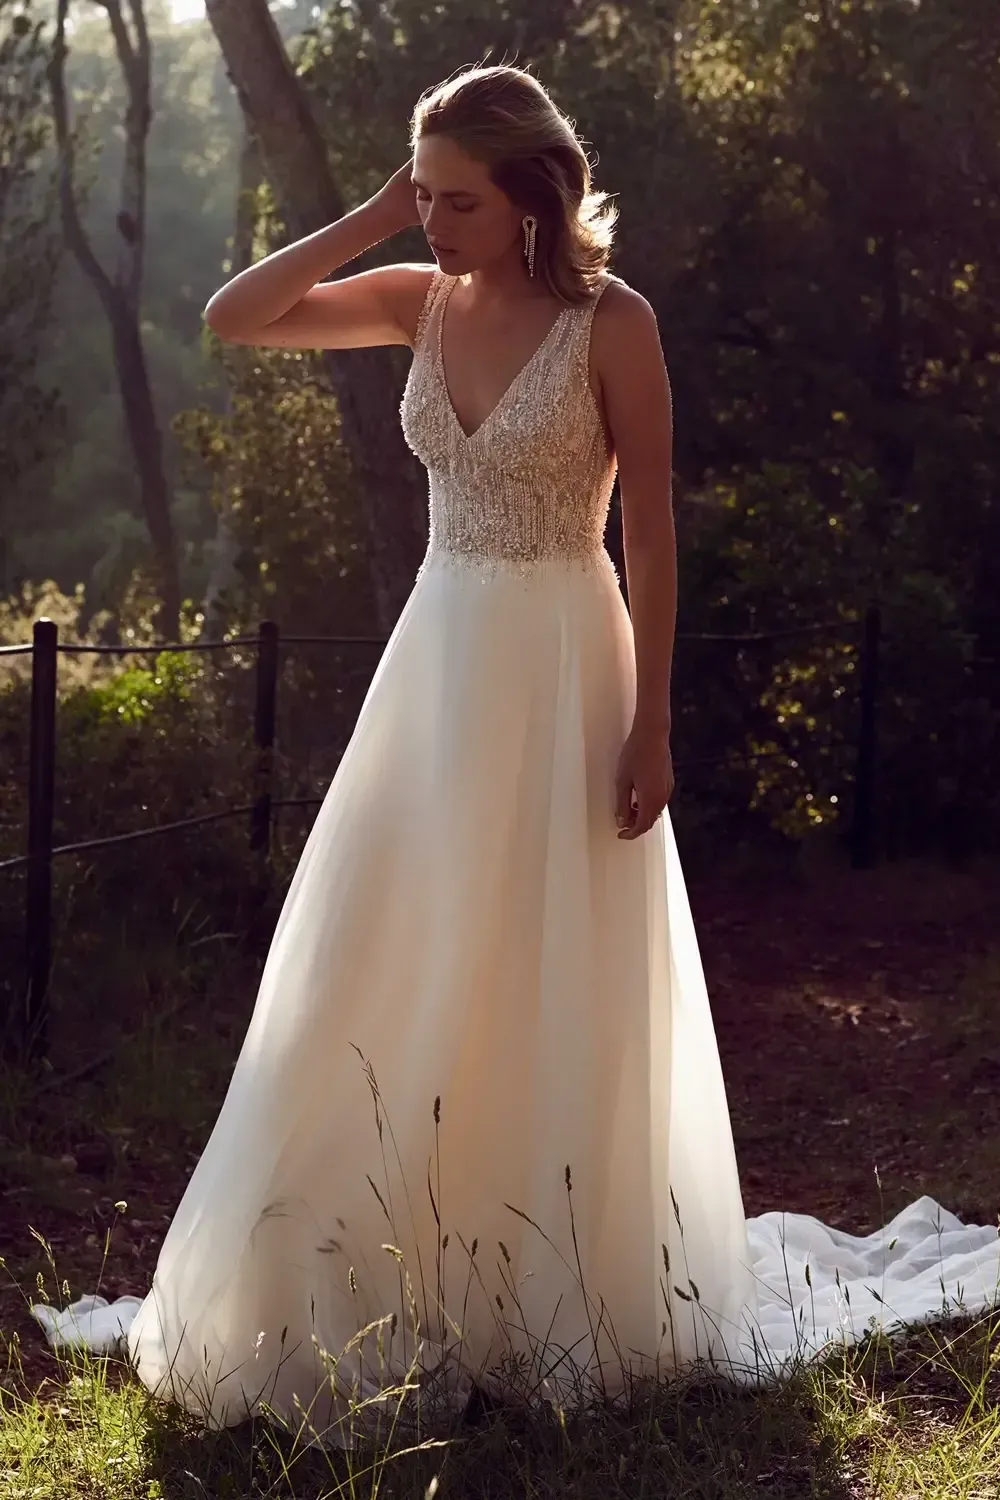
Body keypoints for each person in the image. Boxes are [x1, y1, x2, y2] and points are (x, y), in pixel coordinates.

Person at [32, 63, 1000, 1447]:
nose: (437, 220)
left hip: (562, 659)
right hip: (434, 668)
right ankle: (381, 1276)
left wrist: (651, 719)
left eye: (459, 199)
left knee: (540, 956)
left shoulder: (616, 325)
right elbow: (231, 318)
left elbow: (652, 532)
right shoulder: (415, 297)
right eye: (423, 193)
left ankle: (553, 1286)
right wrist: (373, 214)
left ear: (537, 191)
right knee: (389, 950)